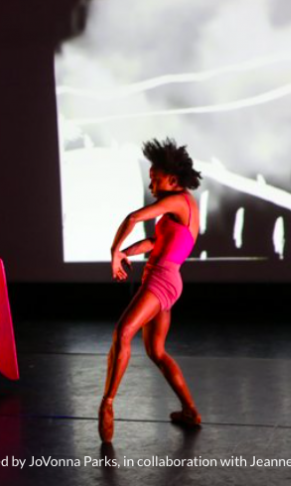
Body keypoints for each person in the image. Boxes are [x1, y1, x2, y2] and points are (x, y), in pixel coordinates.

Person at [99, 137, 203, 443]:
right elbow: (156, 244)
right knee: (155, 351)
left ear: (172, 179)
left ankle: (107, 404)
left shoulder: (178, 201)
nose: (152, 186)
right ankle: (190, 411)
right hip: (167, 278)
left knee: (123, 334)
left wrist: (114, 251)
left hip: (161, 280)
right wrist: (129, 252)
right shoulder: (181, 209)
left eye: (155, 180)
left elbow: (133, 218)